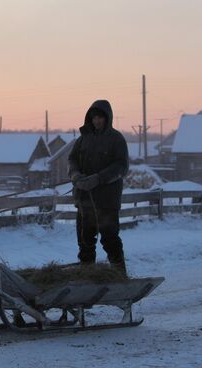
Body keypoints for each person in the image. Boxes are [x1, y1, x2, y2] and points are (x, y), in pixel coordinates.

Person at [68, 100, 129, 274]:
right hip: (84, 200)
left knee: (110, 240)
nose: (97, 121)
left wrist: (99, 178)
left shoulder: (116, 139)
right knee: (85, 242)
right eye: (94, 118)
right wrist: (75, 175)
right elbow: (71, 160)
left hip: (106, 202)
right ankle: (87, 277)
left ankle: (119, 275)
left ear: (107, 118)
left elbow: (121, 167)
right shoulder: (83, 139)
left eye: (100, 118)